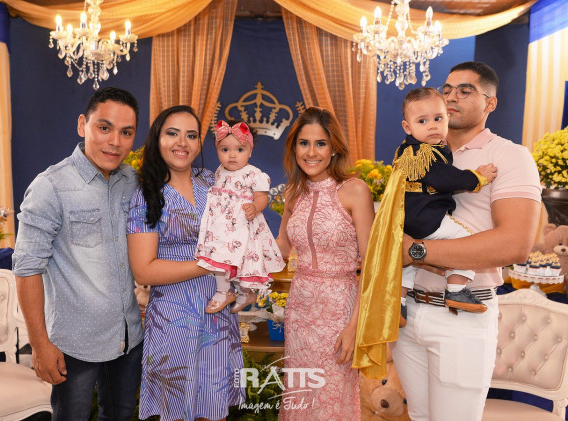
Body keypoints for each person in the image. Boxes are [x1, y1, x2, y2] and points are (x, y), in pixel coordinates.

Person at [394, 62, 541, 421]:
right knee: (418, 417)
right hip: (408, 310)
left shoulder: (508, 156)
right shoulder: (419, 151)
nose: (451, 96)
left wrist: (415, 252)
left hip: (461, 316)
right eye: (447, 89)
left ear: (490, 103)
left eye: (465, 90)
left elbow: (514, 245)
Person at [12, 87, 143, 420]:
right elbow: (27, 268)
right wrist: (39, 344)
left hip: (128, 336)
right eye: (104, 127)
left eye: (126, 132)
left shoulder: (132, 181)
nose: (115, 141)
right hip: (74, 343)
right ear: (83, 124)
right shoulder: (51, 186)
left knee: (121, 415)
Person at [126, 105, 245, 421]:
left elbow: (240, 233)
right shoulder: (146, 194)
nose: (182, 143)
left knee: (214, 410)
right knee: (174, 411)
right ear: (157, 138)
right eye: (172, 133)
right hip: (174, 317)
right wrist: (208, 265)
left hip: (217, 314)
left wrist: (235, 278)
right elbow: (143, 269)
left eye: (191, 135)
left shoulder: (212, 181)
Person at [276, 107, 375, 419]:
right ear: (294, 148)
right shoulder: (293, 193)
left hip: (339, 311)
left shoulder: (355, 190)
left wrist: (355, 326)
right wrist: (237, 234)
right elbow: (280, 250)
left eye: (320, 143)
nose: (311, 152)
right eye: (304, 143)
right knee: (300, 397)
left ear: (334, 148)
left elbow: (371, 266)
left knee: (332, 398)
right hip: (299, 311)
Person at [397, 87, 498, 323]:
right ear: (407, 127)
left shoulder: (405, 150)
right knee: (465, 241)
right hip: (426, 218)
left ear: (447, 118)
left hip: (406, 219)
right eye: (422, 121)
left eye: (438, 118)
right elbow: (448, 179)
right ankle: (456, 290)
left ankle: (398, 305)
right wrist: (478, 177)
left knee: (406, 263)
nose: (432, 126)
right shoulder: (425, 153)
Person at [195, 119, 285, 314]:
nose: (232, 155)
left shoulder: (253, 174)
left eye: (240, 149)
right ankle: (224, 291)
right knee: (219, 254)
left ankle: (244, 293)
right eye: (225, 149)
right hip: (221, 224)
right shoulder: (219, 171)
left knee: (241, 259)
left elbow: (262, 196)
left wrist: (255, 207)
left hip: (242, 223)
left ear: (250, 151)